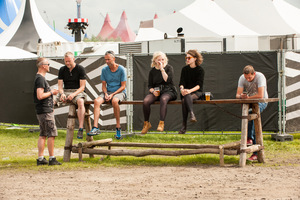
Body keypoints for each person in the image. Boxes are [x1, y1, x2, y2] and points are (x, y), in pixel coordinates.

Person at [87, 51, 127, 138]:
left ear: (114, 59)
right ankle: (95, 128)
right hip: (108, 92)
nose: (107, 61)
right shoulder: (104, 70)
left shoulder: (121, 69)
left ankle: (118, 127)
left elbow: (123, 86)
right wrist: (105, 93)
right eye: (105, 60)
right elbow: (104, 86)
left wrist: (112, 95)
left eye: (108, 59)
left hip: (119, 92)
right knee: (96, 101)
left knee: (115, 101)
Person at [236, 65, 268, 161]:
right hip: (249, 102)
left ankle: (251, 141)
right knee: (247, 116)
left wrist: (248, 98)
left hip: (261, 102)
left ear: (254, 74)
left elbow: (260, 95)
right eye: (246, 78)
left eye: (250, 77)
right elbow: (237, 95)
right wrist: (242, 96)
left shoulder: (260, 77)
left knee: (251, 117)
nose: (248, 79)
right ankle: (248, 139)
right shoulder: (242, 78)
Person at [34, 57, 62, 166]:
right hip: (45, 111)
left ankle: (40, 158)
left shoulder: (39, 78)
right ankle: (52, 158)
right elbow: (40, 95)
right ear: (43, 66)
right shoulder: (40, 79)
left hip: (43, 110)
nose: (49, 66)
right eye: (48, 64)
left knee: (43, 134)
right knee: (51, 134)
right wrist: (52, 92)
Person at [141, 51, 178, 134]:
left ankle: (161, 123)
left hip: (169, 90)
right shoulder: (152, 71)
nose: (161, 61)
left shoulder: (169, 68)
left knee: (163, 99)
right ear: (155, 61)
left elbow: (167, 80)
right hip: (157, 91)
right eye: (159, 60)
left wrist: (162, 69)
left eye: (162, 59)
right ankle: (146, 123)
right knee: (146, 101)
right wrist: (153, 91)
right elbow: (150, 86)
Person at [57, 52, 87, 139]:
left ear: (73, 59)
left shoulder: (80, 69)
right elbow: (60, 86)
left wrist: (73, 94)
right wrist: (62, 93)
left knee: (80, 102)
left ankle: (80, 128)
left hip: (77, 91)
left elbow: (82, 87)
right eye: (66, 61)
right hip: (66, 91)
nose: (67, 63)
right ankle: (48, 127)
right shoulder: (62, 69)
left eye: (69, 61)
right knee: (51, 100)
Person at [178, 49, 205, 134]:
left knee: (184, 100)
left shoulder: (200, 70)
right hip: (186, 92)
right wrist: (182, 89)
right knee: (185, 97)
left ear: (195, 58)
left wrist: (189, 91)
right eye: (186, 57)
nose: (187, 59)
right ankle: (192, 114)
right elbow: (181, 83)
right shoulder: (184, 69)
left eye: (189, 57)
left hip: (196, 92)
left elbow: (199, 85)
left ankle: (184, 127)